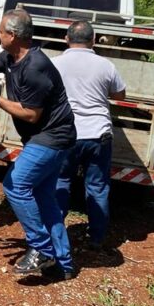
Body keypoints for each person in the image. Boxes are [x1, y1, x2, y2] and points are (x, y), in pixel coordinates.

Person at [0, 9, 76, 279]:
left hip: (52, 138)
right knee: (46, 199)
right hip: (46, 138)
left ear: (13, 35)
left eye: (0, 32)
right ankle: (64, 265)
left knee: (15, 183)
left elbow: (30, 114)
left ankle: (41, 248)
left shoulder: (36, 67)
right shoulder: (10, 57)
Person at [53, 21, 126, 251]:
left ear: (66, 39)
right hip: (98, 135)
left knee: (61, 181)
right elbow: (120, 94)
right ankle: (96, 237)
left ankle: (56, 232)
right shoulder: (106, 65)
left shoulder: (55, 64)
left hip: (67, 134)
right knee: (97, 186)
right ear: (93, 40)